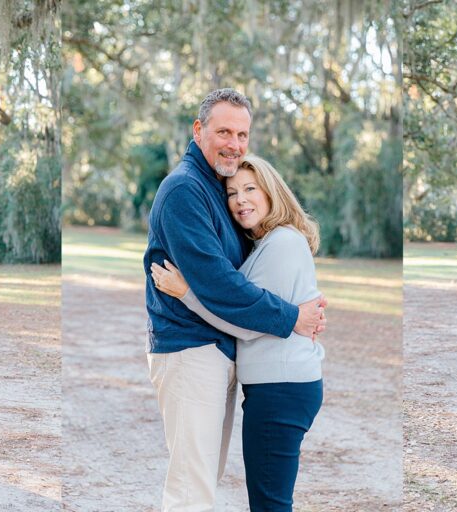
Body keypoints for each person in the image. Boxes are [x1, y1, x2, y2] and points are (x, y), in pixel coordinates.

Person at [142, 88, 328, 511]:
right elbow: (223, 285)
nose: (234, 143)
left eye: (242, 134)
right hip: (190, 349)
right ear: (198, 130)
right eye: (224, 131)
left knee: (203, 476)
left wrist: (302, 302)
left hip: (217, 350)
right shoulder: (185, 191)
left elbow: (257, 275)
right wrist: (292, 317)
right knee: (192, 485)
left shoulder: (217, 187)